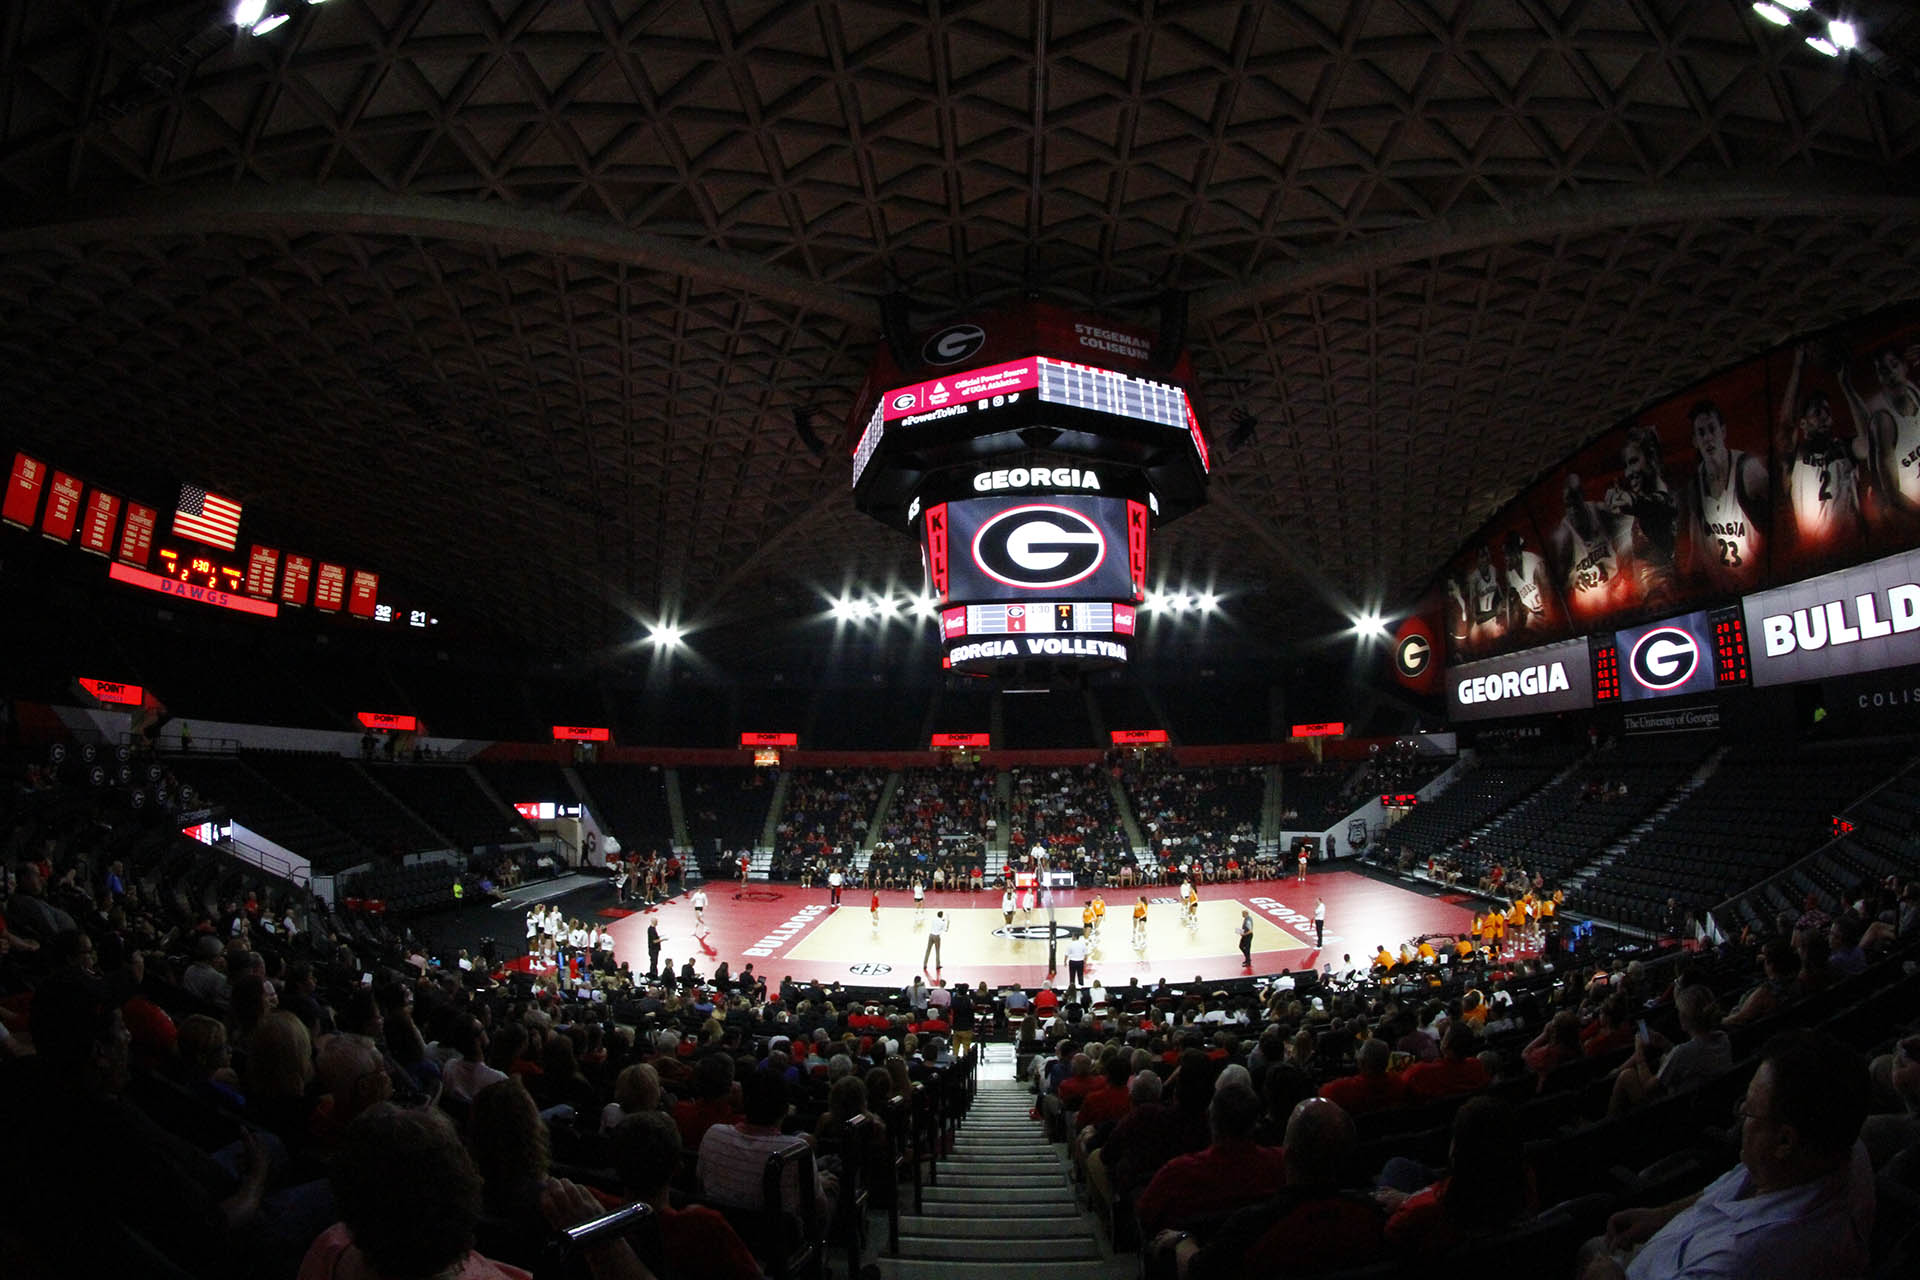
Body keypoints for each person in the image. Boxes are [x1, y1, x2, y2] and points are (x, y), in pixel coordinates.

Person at [1579, 1030, 1874, 1280]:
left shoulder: (1736, 1262)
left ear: (1785, 1141)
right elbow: (1726, 1187)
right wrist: (1659, 1216)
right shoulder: (1831, 1152)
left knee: (1590, 1250)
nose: (1740, 1117)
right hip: (1672, 1237)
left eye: (1748, 1110)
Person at [1777, 343, 1866, 559]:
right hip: (1817, 555)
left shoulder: (1844, 448)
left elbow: (1869, 440)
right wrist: (1797, 367)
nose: (1825, 415)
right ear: (1804, 423)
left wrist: (1846, 385)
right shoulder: (1795, 454)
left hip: (1854, 549)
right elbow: (1786, 424)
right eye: (1818, 411)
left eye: (1827, 411)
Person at [1681, 398, 1768, 594]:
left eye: (1712, 429)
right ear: (1695, 441)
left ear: (1723, 431)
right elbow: (1695, 555)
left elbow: (1779, 525)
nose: (1708, 438)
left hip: (1756, 587)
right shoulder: (1695, 485)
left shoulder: (1748, 470)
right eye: (1701, 433)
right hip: (1721, 594)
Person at [1840, 342, 1920, 519]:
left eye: (1894, 365)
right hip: (1908, 518)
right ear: (1879, 377)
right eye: (1883, 370)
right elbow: (1893, 495)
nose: (1891, 373)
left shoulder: (1916, 392)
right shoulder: (1883, 421)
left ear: (1904, 367)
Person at [1605, 424, 1681, 607]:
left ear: (1651, 458)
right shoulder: (1649, 507)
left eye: (1633, 462)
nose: (1628, 473)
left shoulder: (1662, 504)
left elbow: (1655, 507)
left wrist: (1631, 502)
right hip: (1652, 607)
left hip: (1664, 603)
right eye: (1626, 465)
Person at [1502, 528, 1555, 637]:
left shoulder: (1534, 562)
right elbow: (1511, 603)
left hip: (1549, 611)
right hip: (1533, 615)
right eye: (1505, 554)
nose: (1506, 558)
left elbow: (1548, 597)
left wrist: (1551, 622)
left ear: (1516, 551)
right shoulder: (1509, 573)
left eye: (1509, 554)